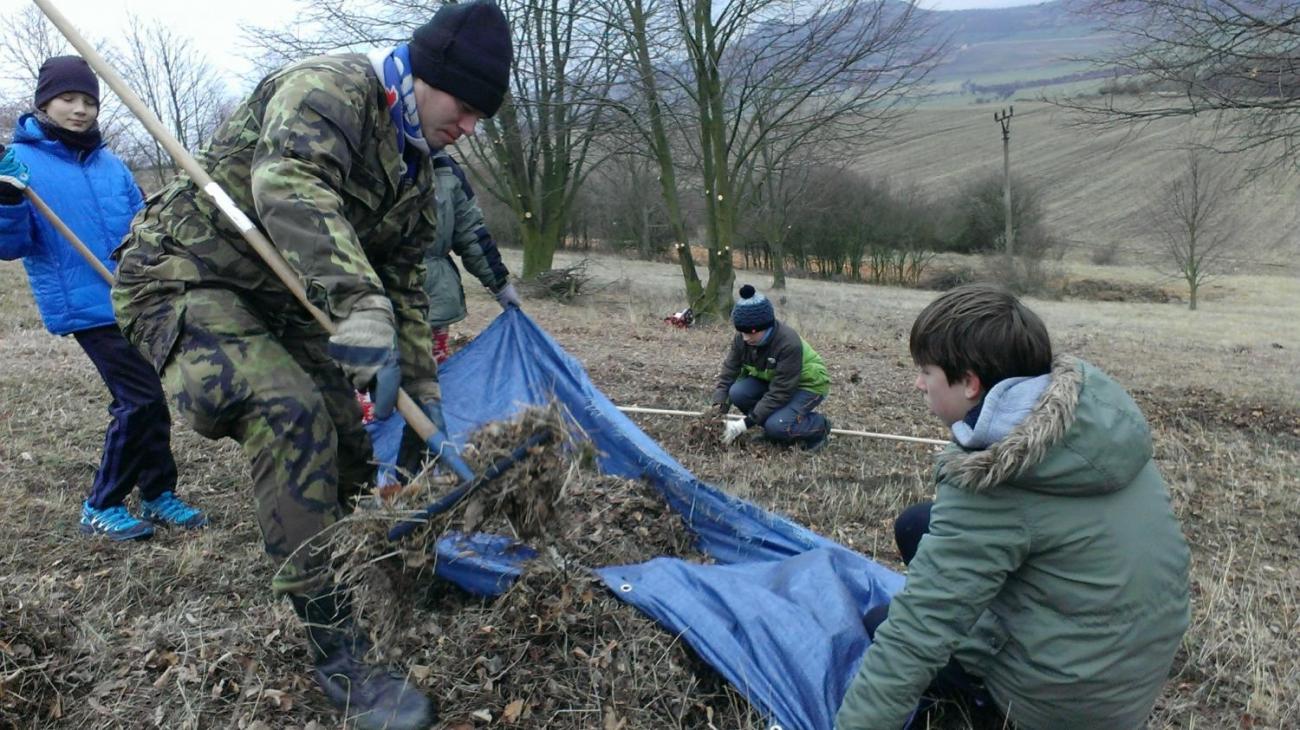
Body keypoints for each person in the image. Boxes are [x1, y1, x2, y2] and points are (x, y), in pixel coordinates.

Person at [110, 3, 513, 728]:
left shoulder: (418, 176)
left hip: (284, 306)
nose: (472, 126)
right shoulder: (330, 87)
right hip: (184, 277)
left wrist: (424, 397)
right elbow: (288, 182)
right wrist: (358, 302)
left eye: (485, 116)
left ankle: (373, 579)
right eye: (468, 106)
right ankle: (339, 651)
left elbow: (407, 285)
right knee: (288, 413)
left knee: (352, 451)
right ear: (428, 76)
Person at [836, 284, 1191, 730]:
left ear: (970, 383)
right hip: (1130, 668)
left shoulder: (994, 486)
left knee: (879, 621)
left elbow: (918, 633)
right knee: (916, 525)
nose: (918, 383)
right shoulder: (1089, 421)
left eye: (926, 371)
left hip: (1060, 702)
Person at [0, 55, 205, 542]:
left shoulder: (111, 163)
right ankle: (102, 502)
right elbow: (9, 247)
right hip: (85, 304)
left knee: (151, 399)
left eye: (89, 101)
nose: (80, 110)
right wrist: (6, 198)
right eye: (68, 99)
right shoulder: (22, 164)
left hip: (133, 298)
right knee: (139, 398)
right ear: (45, 102)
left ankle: (157, 493)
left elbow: (144, 225)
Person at [425, 149, 519, 363]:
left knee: (429, 381)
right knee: (370, 382)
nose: (467, 127)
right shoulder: (363, 146)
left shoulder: (445, 167)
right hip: (367, 304)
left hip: (432, 300)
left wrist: (500, 284)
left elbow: (471, 232)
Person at [712, 284, 831, 450]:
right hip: (774, 381)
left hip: (807, 385)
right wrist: (718, 408)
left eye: (751, 332)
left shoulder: (788, 343)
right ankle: (771, 425)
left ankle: (819, 427)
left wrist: (746, 423)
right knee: (738, 392)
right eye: (742, 332)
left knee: (777, 426)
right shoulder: (742, 339)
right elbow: (729, 373)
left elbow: (780, 391)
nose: (745, 338)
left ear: (766, 326)